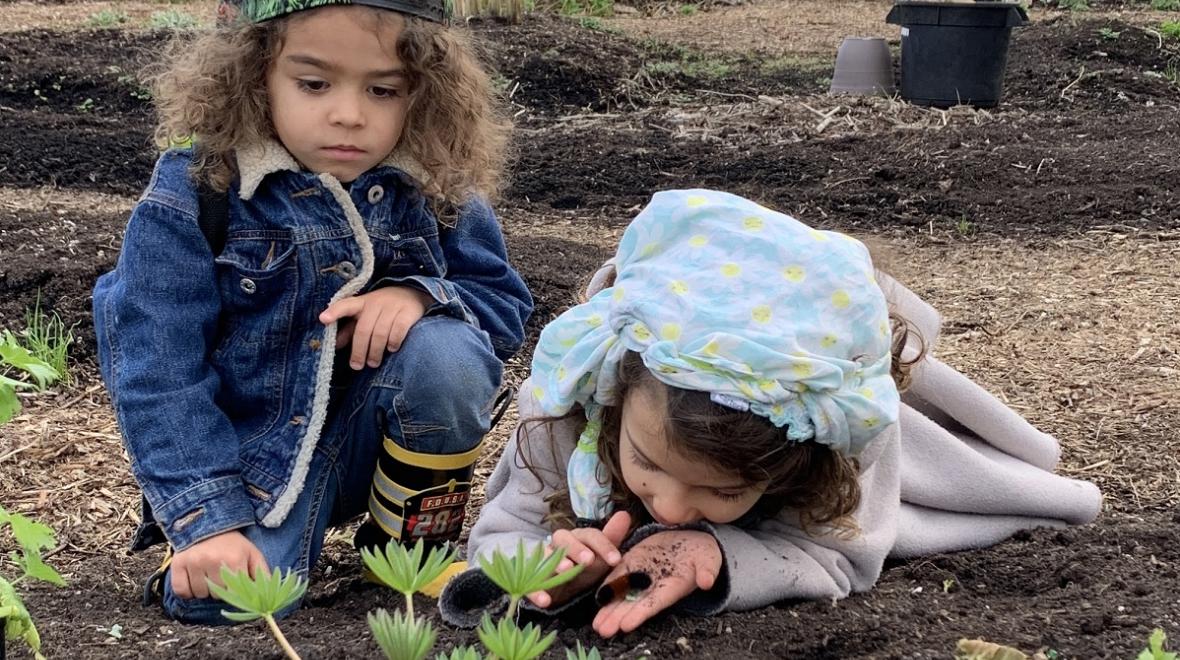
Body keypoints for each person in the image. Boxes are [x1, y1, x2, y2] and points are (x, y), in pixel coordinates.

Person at [439, 189, 1101, 637]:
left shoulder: (833, 438)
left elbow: (839, 555)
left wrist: (722, 553)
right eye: (644, 461)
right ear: (616, 394)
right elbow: (502, 532)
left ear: (791, 468)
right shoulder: (570, 401)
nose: (668, 508)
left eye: (723, 490)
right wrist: (545, 571)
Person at [92, 0, 532, 625]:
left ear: (425, 94)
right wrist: (206, 521)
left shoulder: (435, 185)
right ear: (254, 74)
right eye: (314, 83)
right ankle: (203, 549)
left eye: (384, 90)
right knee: (233, 606)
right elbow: (156, 369)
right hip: (252, 468)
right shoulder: (199, 192)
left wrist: (419, 296)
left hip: (369, 444)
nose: (349, 114)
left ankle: (407, 547)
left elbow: (503, 304)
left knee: (449, 354)